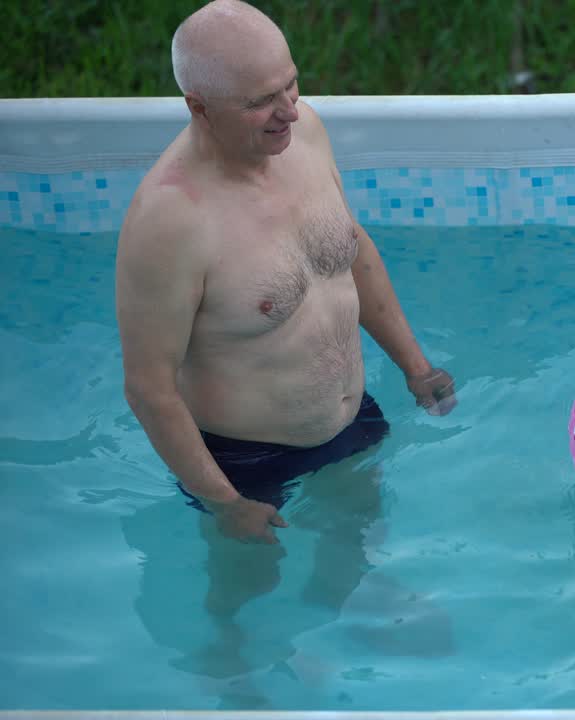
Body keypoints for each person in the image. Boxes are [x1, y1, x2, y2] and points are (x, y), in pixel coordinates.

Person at [115, 0, 457, 545]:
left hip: (352, 419)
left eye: (290, 85)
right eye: (260, 102)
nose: (289, 111)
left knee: (355, 546)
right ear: (199, 107)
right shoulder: (169, 222)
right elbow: (149, 390)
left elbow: (353, 252)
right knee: (245, 599)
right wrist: (224, 503)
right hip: (247, 462)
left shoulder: (306, 133)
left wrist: (415, 367)